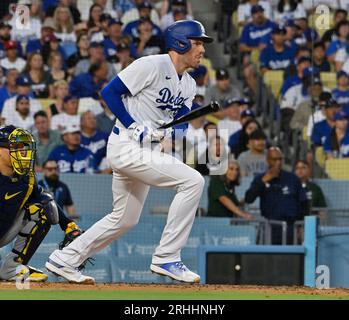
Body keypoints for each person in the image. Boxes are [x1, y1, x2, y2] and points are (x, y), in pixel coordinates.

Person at [46, 20, 213, 284]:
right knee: (193, 181)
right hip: (126, 145)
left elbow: (181, 118)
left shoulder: (189, 84)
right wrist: (135, 125)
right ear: (180, 43)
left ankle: (66, 258)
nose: (202, 49)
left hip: (146, 151)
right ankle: (167, 256)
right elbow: (110, 92)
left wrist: (172, 135)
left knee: (124, 219)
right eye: (198, 42)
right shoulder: (151, 65)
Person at [0, 125, 83, 281]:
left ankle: (12, 269)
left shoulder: (27, 176)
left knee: (44, 209)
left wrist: (68, 225)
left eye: (23, 147)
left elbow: (44, 198)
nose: (22, 152)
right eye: (15, 147)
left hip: (4, 230)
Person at [245, 147, 308, 244]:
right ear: (267, 161)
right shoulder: (260, 179)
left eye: (280, 159)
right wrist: (265, 180)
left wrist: (301, 226)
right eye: (274, 159)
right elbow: (249, 198)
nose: (278, 162)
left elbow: (303, 203)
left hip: (290, 228)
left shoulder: (292, 178)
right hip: (270, 226)